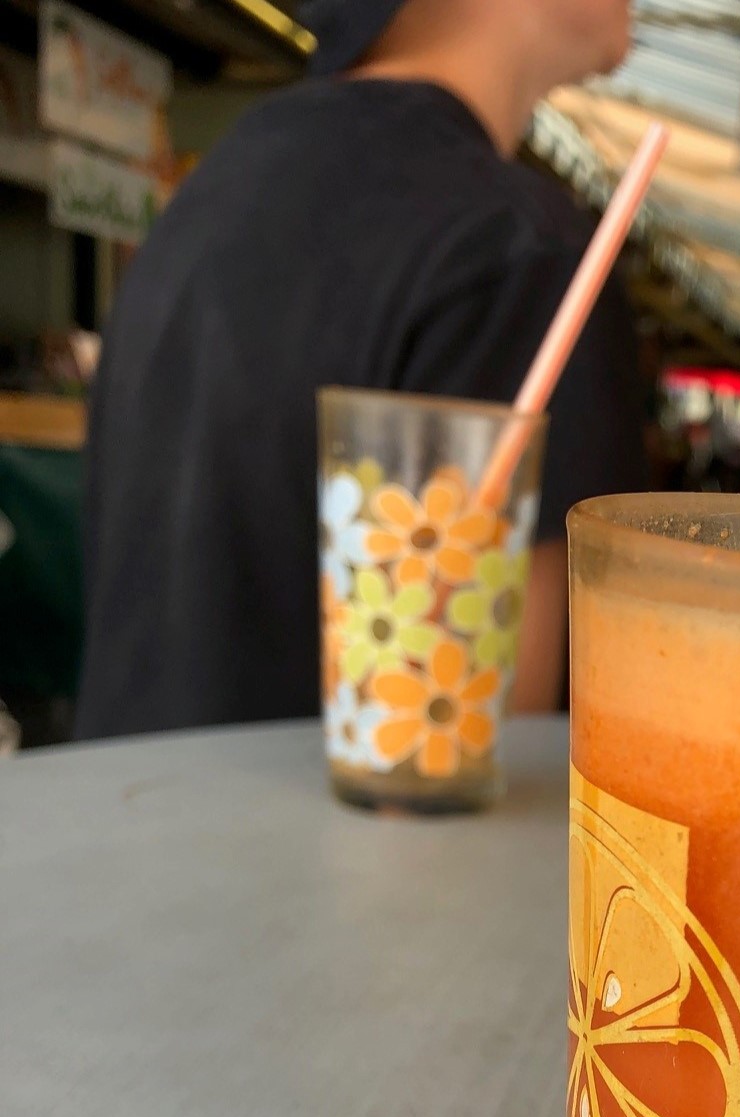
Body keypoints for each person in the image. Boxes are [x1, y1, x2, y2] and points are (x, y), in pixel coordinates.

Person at [74, 0, 645, 739]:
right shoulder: (516, 252)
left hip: (120, 816)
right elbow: (491, 737)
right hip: (323, 852)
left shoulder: (215, 190)